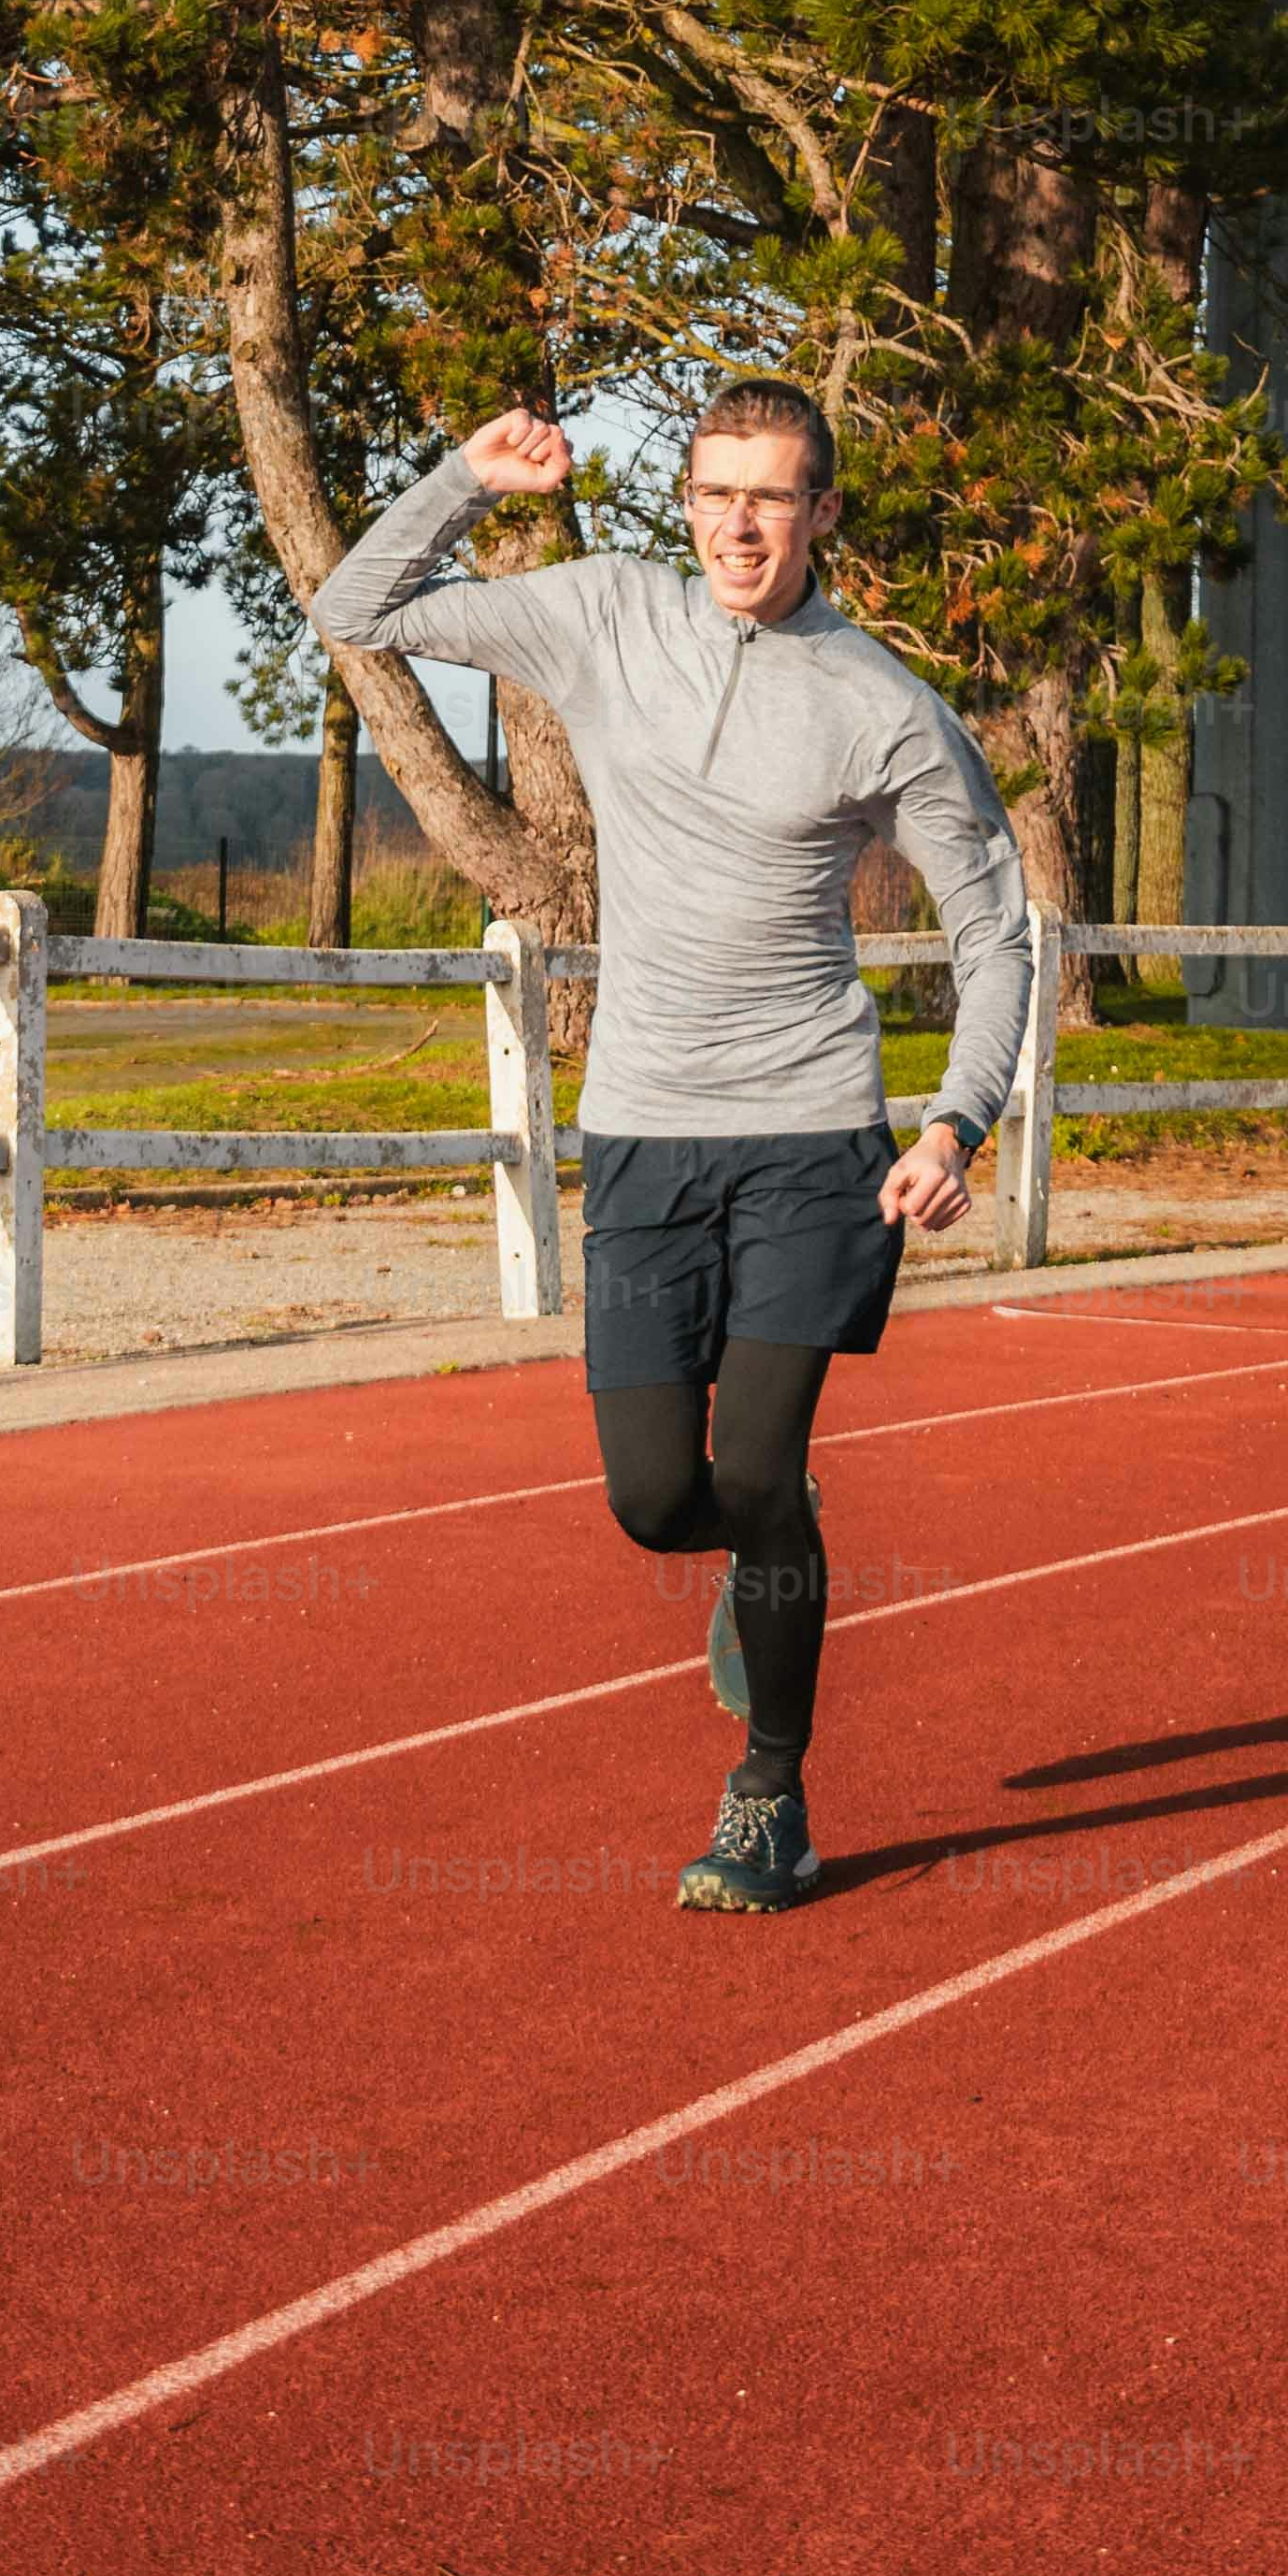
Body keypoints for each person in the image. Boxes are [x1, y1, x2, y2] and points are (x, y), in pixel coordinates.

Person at [311, 379, 1034, 1914]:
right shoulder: (601, 615)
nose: (738, 526)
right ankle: (773, 1528)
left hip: (810, 1136)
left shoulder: (883, 703)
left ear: (823, 512)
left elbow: (994, 929)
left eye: (771, 497)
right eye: (713, 493)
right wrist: (465, 478)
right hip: (641, 1126)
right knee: (657, 1498)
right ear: (686, 501)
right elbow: (353, 602)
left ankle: (771, 1793)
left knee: (756, 1461)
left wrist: (959, 1116)